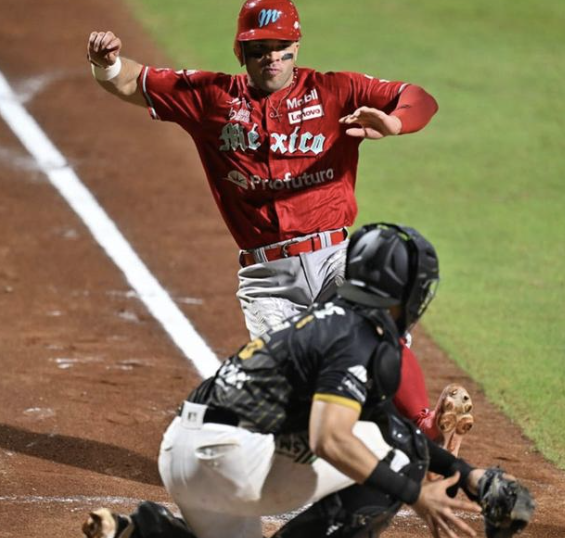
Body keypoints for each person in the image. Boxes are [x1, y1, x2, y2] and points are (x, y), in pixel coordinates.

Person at [86, 0, 473, 453]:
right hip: (268, 282)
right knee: (298, 406)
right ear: (241, 53)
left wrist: (394, 122)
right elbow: (134, 81)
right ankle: (367, 446)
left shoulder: (335, 91)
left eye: (282, 47)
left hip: (333, 257)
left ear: (296, 45)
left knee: (376, 320)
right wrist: (106, 64)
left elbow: (420, 98)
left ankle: (427, 426)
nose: (272, 57)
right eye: (259, 49)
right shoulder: (212, 98)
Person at [80, 224, 533, 538]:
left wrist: (469, 476)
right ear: (399, 296)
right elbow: (330, 438)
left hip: (183, 452)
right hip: (229, 460)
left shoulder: (328, 320)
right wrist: (416, 495)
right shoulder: (360, 339)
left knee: (394, 441)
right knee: (401, 461)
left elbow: (381, 420)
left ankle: (144, 530)